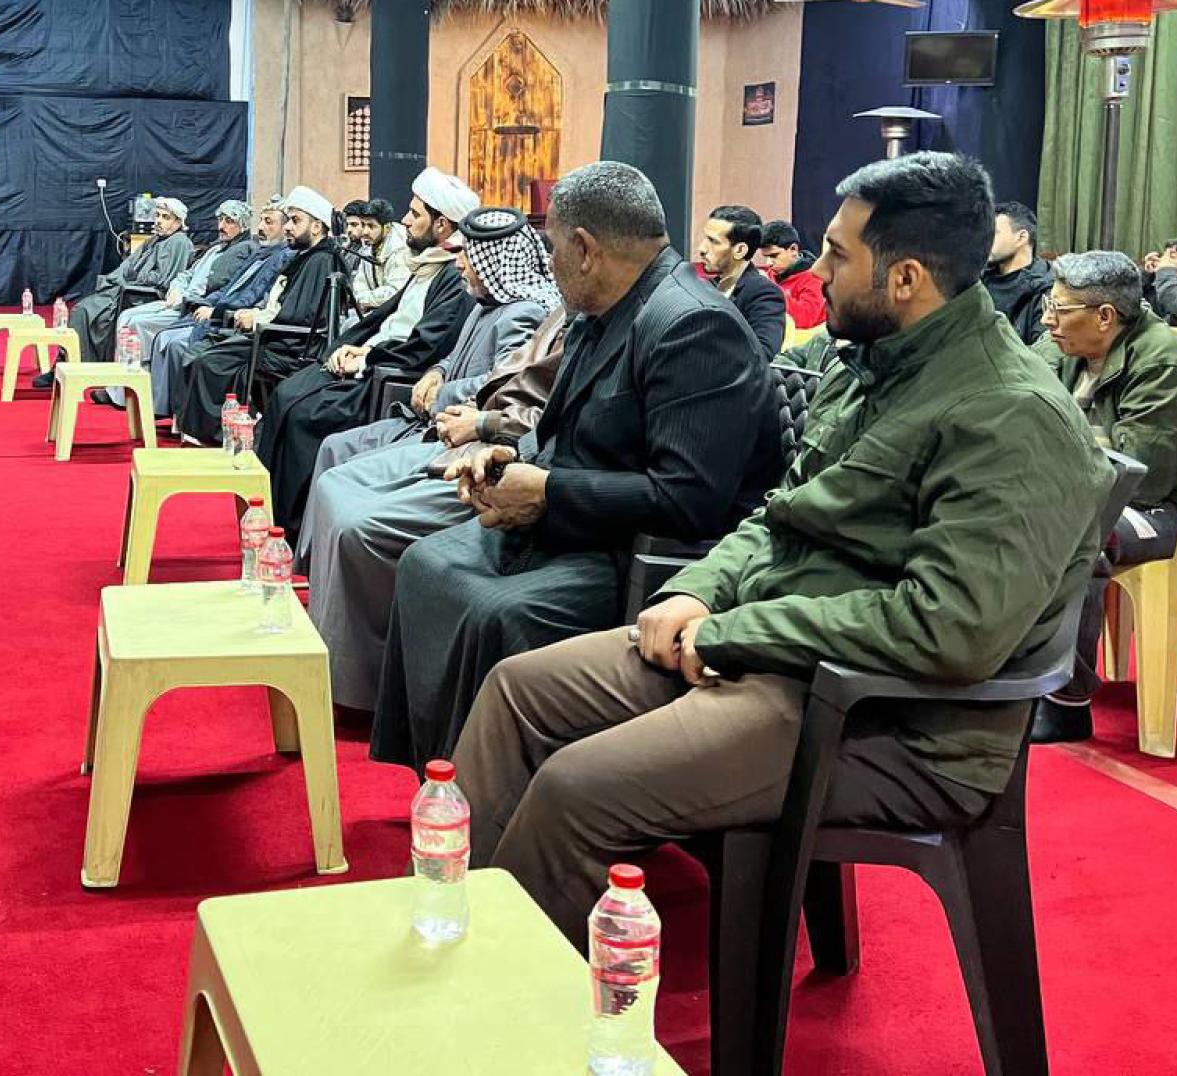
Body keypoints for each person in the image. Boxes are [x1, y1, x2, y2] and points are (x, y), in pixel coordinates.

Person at [449, 151, 1113, 942]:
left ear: (905, 278)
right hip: (779, 659)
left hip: (887, 720)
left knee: (574, 788)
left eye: (837, 255)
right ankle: (462, 939)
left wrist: (731, 632)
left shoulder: (1012, 414)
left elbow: (949, 630)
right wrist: (696, 592)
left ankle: (508, 999)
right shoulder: (870, 364)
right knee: (517, 693)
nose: (813, 272)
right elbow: (778, 515)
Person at [369, 161, 782, 774]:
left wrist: (547, 491)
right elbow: (559, 431)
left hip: (637, 552)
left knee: (492, 611)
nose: (549, 261)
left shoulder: (693, 324)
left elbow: (689, 499)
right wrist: (508, 461)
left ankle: (483, 791)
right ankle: (435, 778)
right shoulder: (602, 310)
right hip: (574, 523)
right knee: (424, 565)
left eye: (553, 247)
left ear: (585, 249)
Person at [1032, 250, 1177, 743]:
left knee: (1079, 537)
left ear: (1105, 316)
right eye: (1049, 306)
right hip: (1090, 491)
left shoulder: (1162, 360)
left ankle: (1066, 700)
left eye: (1059, 309)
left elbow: (1145, 475)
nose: (1048, 320)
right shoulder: (1063, 346)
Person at [301, 305, 568, 709]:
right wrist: (442, 379)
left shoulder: (540, 313)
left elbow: (553, 422)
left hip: (502, 454)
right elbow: (498, 376)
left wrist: (480, 422)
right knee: (333, 481)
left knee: (358, 525)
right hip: (464, 431)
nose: (462, 271)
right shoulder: (564, 311)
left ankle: (355, 686)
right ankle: (323, 640)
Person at [254, 170, 482, 538]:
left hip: (387, 376)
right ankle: (267, 512)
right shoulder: (427, 262)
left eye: (415, 214)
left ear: (441, 224)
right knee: (287, 391)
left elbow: (426, 344)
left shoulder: (453, 275)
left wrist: (365, 359)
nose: (405, 221)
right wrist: (350, 346)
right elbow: (386, 318)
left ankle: (291, 530)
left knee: (304, 414)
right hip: (373, 359)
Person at [307, 207, 558, 470]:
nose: (459, 263)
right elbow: (453, 357)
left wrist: (440, 392)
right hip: (429, 418)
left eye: (468, 254)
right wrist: (436, 372)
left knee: (345, 471)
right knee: (333, 447)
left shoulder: (523, 313)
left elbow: (502, 384)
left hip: (460, 434)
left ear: (496, 260)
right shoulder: (482, 305)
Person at [170, 186, 351, 443]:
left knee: (211, 362)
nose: (288, 227)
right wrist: (256, 314)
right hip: (276, 336)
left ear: (317, 227)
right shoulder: (306, 256)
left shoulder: (320, 260)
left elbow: (299, 317)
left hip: (289, 346)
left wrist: (255, 319)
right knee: (207, 353)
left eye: (295, 220)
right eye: (288, 220)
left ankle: (214, 436)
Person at [103, 200, 258, 404]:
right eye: (220, 219)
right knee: (126, 316)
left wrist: (188, 299)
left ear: (243, 225)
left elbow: (222, 288)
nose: (221, 226)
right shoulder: (216, 248)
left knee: (137, 324)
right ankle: (120, 389)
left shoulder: (243, 250)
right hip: (178, 299)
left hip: (193, 306)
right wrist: (176, 288)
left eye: (229, 221)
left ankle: (131, 396)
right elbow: (186, 274)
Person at [36, 196, 195, 388]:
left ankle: (71, 365)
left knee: (82, 311)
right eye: (157, 215)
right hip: (125, 288)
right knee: (83, 308)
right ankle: (67, 363)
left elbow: (164, 280)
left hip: (143, 295)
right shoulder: (153, 240)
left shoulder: (179, 242)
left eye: (165, 217)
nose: (159, 221)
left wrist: (133, 276)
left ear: (178, 222)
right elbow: (127, 267)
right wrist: (115, 279)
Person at [146, 224, 291, 418]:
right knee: (162, 335)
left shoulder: (279, 257)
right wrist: (202, 301)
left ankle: (181, 416)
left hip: (240, 323)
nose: (261, 226)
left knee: (179, 345)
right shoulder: (252, 253)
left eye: (269, 221)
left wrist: (215, 311)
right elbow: (226, 288)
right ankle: (164, 409)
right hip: (211, 307)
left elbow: (255, 300)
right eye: (220, 219)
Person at [696, 204, 786, 357]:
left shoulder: (764, 293)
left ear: (739, 250)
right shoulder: (703, 286)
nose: (702, 249)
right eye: (705, 238)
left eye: (713, 241)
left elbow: (763, 354)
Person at [982, 200, 1051, 344]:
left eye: (994, 233)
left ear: (1021, 237)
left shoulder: (1046, 288)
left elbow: (1042, 350)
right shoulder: (977, 281)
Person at [343, 199, 410, 313]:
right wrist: (362, 299)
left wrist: (364, 300)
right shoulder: (368, 245)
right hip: (373, 310)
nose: (365, 232)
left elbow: (394, 291)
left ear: (387, 228)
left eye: (371, 226)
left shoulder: (401, 248)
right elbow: (360, 282)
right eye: (363, 225)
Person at [756, 219, 826, 330]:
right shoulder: (764, 273)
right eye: (766, 257)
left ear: (793, 249)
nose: (769, 262)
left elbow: (806, 319)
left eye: (774, 256)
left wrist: (771, 290)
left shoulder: (814, 279)